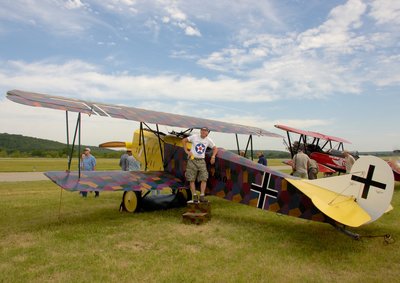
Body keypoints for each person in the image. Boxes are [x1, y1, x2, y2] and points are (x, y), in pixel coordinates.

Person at [182, 127, 218, 203]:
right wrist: (187, 151)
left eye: (205, 131)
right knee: (191, 179)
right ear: (200, 131)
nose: (203, 132)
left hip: (201, 161)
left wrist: (213, 156)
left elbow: (215, 148)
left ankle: (202, 196)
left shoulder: (208, 140)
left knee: (204, 178)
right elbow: (184, 140)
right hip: (192, 160)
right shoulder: (194, 137)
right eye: (202, 130)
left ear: (207, 133)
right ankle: (194, 196)